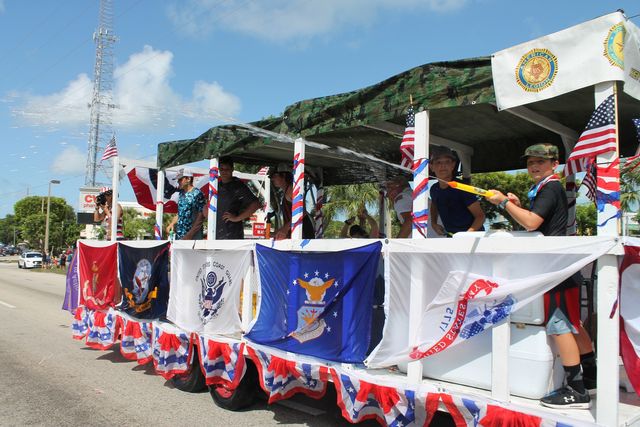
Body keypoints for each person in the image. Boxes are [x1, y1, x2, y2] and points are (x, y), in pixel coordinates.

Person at [486, 143, 596, 409]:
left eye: (540, 162)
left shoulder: (550, 187)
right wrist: (516, 206)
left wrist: (503, 203)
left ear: (554, 164)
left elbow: (532, 223)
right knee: (572, 323)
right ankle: (591, 379)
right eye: (530, 162)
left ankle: (576, 389)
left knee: (560, 327)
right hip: (560, 267)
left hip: (554, 269)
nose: (534, 166)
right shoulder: (547, 189)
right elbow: (536, 221)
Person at [429, 147, 485, 236]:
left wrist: (467, 235)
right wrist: (434, 223)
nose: (443, 165)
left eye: (447, 161)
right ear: (431, 167)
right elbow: (434, 205)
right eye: (438, 162)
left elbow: (480, 216)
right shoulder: (434, 189)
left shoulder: (462, 188)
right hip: (452, 238)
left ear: (453, 165)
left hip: (473, 239)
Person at [215, 157, 261, 240]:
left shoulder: (238, 186)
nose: (224, 171)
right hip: (215, 233)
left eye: (227, 169)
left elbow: (256, 204)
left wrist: (237, 218)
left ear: (232, 169)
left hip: (232, 234)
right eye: (222, 169)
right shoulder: (216, 185)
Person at [270, 163, 315, 240]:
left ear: (283, 175)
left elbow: (301, 212)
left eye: (274, 176)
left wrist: (285, 229)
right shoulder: (288, 191)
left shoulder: (292, 190)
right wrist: (279, 231)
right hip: (298, 232)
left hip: (303, 233)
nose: (272, 179)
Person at [167, 169, 206, 240]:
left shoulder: (198, 194)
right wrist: (172, 223)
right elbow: (180, 213)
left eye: (180, 179)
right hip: (180, 236)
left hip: (193, 237)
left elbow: (201, 216)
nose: (178, 182)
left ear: (188, 179)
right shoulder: (181, 194)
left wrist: (190, 234)